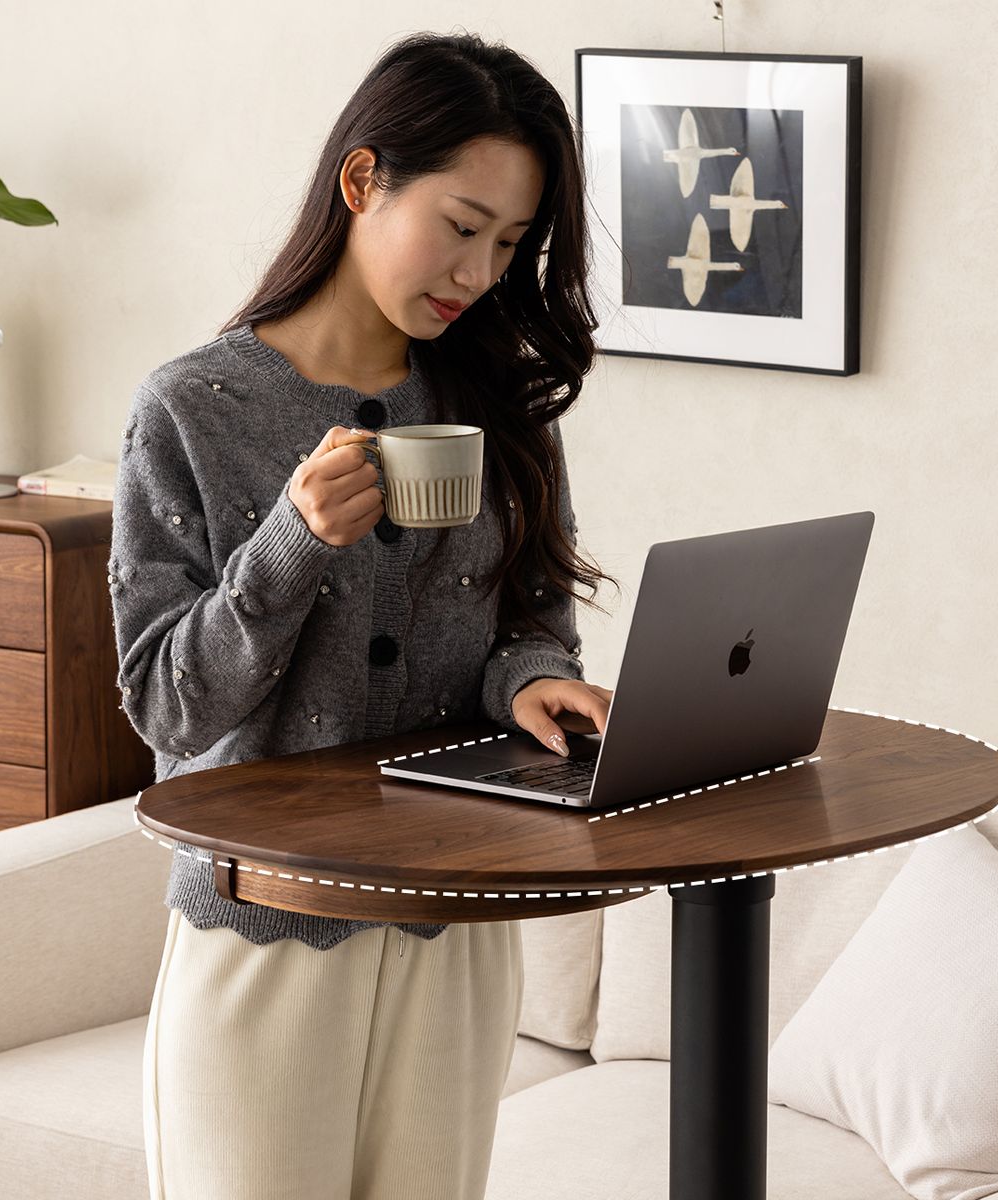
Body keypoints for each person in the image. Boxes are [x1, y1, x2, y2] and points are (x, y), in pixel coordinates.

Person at [111, 29, 620, 1200]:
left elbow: (530, 620)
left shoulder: (496, 402)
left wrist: (529, 679)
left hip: (454, 921)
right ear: (362, 181)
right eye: (460, 223)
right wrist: (288, 546)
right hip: (269, 927)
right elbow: (165, 707)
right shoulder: (196, 408)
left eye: (507, 243)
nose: (481, 270)